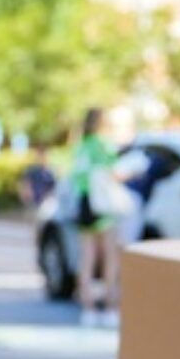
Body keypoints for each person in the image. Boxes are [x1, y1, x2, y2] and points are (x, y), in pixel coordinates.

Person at [69, 108, 122, 319]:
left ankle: (88, 307)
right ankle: (110, 305)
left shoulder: (81, 147)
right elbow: (114, 173)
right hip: (102, 203)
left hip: (84, 202)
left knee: (87, 256)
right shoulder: (103, 145)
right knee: (109, 255)